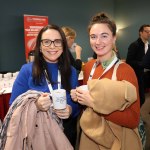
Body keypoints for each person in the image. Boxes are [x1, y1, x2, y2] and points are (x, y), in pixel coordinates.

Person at [71, 12, 142, 150]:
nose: (98, 42)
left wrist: (93, 103)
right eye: (93, 37)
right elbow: (87, 107)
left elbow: (133, 119)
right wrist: (79, 97)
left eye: (104, 36)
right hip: (90, 134)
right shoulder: (89, 67)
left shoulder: (125, 71)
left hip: (115, 138)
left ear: (114, 38)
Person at [9, 24, 80, 148]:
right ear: (40, 47)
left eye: (57, 42)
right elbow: (13, 106)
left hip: (66, 134)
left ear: (63, 46)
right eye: (47, 42)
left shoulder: (72, 71)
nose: (52, 46)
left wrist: (70, 109)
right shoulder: (27, 70)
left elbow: (76, 102)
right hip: (38, 135)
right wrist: (36, 106)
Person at [126, 24, 150, 107]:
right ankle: (136, 117)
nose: (149, 33)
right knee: (140, 99)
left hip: (146, 75)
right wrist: (142, 64)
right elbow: (129, 61)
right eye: (147, 31)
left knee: (144, 98)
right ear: (141, 33)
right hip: (137, 76)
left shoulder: (148, 45)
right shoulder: (134, 45)